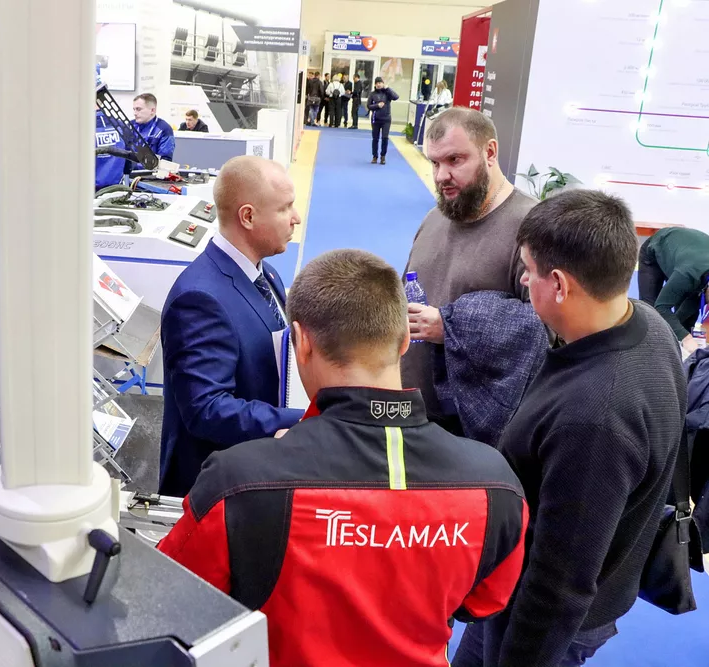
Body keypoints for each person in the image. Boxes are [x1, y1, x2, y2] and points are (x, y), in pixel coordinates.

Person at [159, 249, 529, 667]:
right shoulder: (496, 486)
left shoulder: (238, 483)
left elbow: (173, 601)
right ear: (404, 341)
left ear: (301, 342)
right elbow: (482, 603)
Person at [452, 190, 687, 667]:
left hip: (541, 618)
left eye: (528, 269)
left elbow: (560, 583)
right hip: (558, 589)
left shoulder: (594, 419)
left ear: (559, 284)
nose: (523, 279)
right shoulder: (649, 324)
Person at [159, 156, 304, 497]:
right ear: (248, 216)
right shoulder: (199, 298)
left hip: (256, 469)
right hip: (218, 490)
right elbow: (206, 409)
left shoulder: (265, 273)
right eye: (285, 208)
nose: (296, 217)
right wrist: (301, 420)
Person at [403, 108, 538, 434]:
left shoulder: (532, 226)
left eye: (454, 160)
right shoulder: (435, 218)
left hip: (476, 432)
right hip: (412, 415)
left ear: (489, 152)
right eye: (435, 163)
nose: (441, 176)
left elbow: (541, 329)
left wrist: (452, 327)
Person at [638, 226, 709, 354]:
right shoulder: (687, 274)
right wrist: (687, 338)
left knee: (685, 320)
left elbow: (682, 318)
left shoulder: (700, 283)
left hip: (687, 255)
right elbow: (661, 308)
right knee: (650, 311)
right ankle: (646, 354)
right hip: (656, 249)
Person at [132, 93, 175, 161]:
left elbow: (165, 160)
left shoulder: (164, 129)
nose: (135, 113)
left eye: (138, 109)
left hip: (150, 167)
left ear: (152, 110)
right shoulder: (130, 126)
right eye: (134, 109)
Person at [367, 77, 398, 164]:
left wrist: (388, 89)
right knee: (375, 138)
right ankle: (375, 156)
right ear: (375, 84)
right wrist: (377, 105)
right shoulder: (372, 94)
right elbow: (369, 106)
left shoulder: (387, 93)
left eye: (380, 82)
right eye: (377, 83)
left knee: (385, 138)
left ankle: (383, 156)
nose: (378, 84)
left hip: (386, 119)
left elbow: (396, 97)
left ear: (383, 83)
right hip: (376, 119)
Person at [94, 108, 126, 190]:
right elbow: (131, 157)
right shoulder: (120, 124)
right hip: (116, 188)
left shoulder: (80, 126)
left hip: (88, 190)